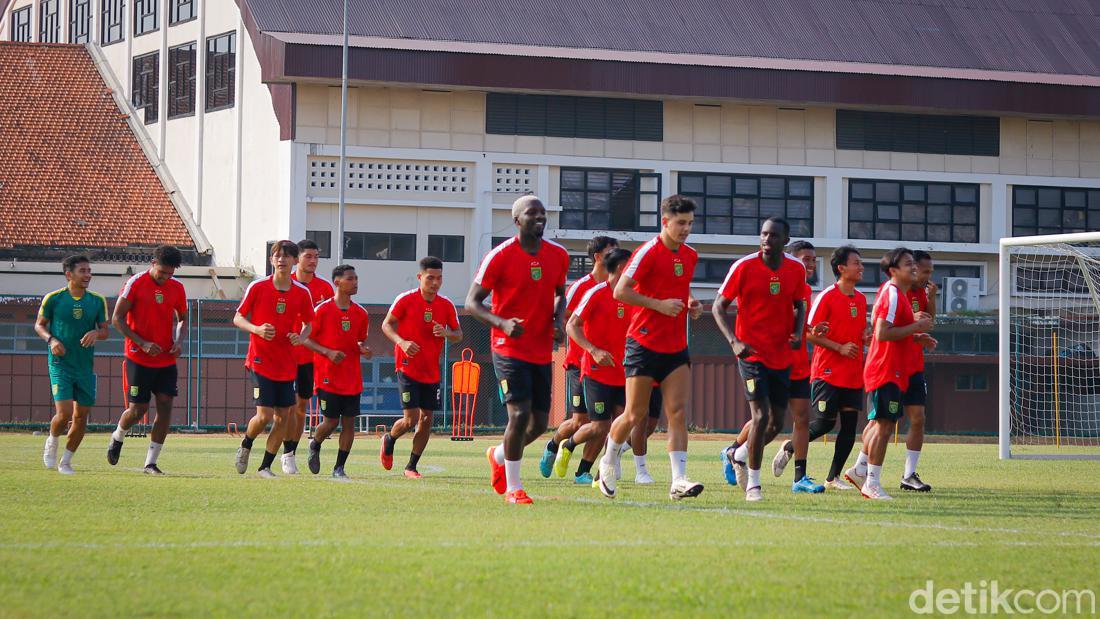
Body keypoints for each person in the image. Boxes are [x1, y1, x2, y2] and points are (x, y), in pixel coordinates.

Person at [596, 195, 705, 501]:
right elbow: (620, 291)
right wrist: (658, 305)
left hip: (675, 347)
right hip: (643, 343)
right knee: (635, 414)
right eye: (681, 223)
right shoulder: (647, 253)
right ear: (665, 222)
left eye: (690, 223)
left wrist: (690, 303)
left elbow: (680, 290)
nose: (686, 229)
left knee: (678, 412)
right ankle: (609, 459)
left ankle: (679, 480)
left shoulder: (690, 255)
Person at [467, 195, 569, 504]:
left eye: (542, 212)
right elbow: (472, 303)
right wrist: (502, 323)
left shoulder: (558, 256)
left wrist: (557, 320)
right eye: (531, 213)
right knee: (519, 414)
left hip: (540, 349)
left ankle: (498, 455)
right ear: (517, 220)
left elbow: (559, 294)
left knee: (539, 423)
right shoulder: (499, 256)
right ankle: (514, 488)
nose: (539, 217)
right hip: (508, 347)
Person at [714, 218, 809, 502]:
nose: (767, 239)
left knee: (777, 423)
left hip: (782, 355)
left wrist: (797, 331)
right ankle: (754, 485)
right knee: (760, 415)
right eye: (764, 234)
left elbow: (799, 304)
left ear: (785, 240)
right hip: (751, 354)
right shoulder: (743, 267)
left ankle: (740, 455)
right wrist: (733, 341)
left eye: (774, 235)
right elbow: (718, 306)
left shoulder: (796, 269)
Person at [734, 240, 824, 494]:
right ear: (791, 259)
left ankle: (799, 478)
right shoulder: (769, 277)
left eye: (813, 260)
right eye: (806, 259)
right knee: (764, 418)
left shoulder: (805, 290)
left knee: (802, 418)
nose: (810, 264)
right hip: (771, 359)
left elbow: (798, 321)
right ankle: (736, 451)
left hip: (797, 361)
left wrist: (809, 331)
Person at [849, 248, 934, 500]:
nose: (914, 267)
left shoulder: (901, 295)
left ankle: (862, 473)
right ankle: (871, 482)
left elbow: (895, 331)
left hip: (894, 368)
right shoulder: (893, 293)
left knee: (884, 424)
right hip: (885, 368)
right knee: (883, 426)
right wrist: (916, 326)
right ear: (893, 271)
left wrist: (917, 336)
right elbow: (882, 333)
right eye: (908, 264)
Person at [232, 241, 316, 478]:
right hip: (260, 361)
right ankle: (246, 444)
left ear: (294, 261)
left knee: (284, 416)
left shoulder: (302, 292)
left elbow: (309, 324)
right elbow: (238, 318)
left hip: (287, 364)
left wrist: (300, 337)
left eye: (287, 256)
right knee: (264, 416)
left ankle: (265, 466)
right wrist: (256, 329)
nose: (282, 260)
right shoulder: (258, 287)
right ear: (271, 260)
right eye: (278, 256)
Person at [540, 236, 617, 478]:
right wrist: (588, 348)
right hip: (579, 364)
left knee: (603, 423)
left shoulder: (620, 288)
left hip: (610, 367)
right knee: (579, 421)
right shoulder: (581, 287)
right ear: (598, 256)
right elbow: (567, 320)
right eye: (611, 251)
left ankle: (583, 471)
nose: (616, 255)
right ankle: (554, 445)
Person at [107, 245, 187, 475]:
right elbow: (117, 318)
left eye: (170, 274)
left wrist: (179, 341)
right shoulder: (135, 283)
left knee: (165, 406)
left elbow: (182, 319)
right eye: (162, 273)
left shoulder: (177, 288)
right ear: (153, 264)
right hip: (138, 357)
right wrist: (142, 343)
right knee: (138, 410)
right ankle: (118, 435)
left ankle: (150, 463)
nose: (165, 278)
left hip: (166, 359)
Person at [380, 256, 462, 478]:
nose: (435, 283)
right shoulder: (405, 299)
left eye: (439, 278)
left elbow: (458, 334)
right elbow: (386, 324)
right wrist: (402, 342)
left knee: (427, 420)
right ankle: (390, 438)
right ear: (420, 277)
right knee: (411, 419)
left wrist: (446, 333)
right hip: (406, 367)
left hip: (431, 371)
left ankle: (411, 466)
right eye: (430, 278)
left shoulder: (446, 305)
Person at [561, 247, 633, 484]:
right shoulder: (595, 293)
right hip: (596, 372)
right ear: (622, 268)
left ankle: (599, 474)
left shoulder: (633, 295)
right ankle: (568, 444)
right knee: (599, 427)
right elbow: (572, 325)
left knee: (624, 424)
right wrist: (594, 350)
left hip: (624, 373)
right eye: (632, 264)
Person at [35, 255, 109, 474]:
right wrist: (52, 340)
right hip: (60, 365)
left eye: (89, 270)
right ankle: (52, 440)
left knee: (81, 416)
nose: (88, 275)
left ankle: (66, 462)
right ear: (69, 274)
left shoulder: (97, 300)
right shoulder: (54, 299)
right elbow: (39, 325)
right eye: (83, 271)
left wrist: (97, 333)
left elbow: (105, 330)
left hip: (84, 367)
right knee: (65, 412)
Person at [804, 245, 868, 490]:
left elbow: (859, 331)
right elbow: (809, 334)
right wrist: (839, 347)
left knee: (850, 427)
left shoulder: (861, 299)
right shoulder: (826, 296)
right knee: (824, 424)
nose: (861, 267)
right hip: (827, 372)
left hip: (853, 373)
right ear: (841, 268)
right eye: (856, 263)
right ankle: (790, 446)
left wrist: (866, 337)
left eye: (861, 263)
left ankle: (832, 478)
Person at [303, 265, 371, 478]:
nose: (355, 282)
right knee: (331, 422)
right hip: (327, 376)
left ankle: (339, 468)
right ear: (337, 282)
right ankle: (315, 444)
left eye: (356, 278)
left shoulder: (361, 313)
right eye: (350, 278)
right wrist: (327, 352)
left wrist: (363, 349)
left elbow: (358, 340)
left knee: (349, 422)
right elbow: (304, 338)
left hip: (352, 378)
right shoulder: (321, 310)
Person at [282, 239, 336, 474]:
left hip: (310, 358)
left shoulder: (324, 288)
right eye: (308, 256)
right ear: (297, 259)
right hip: (283, 355)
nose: (313, 261)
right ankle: (281, 451)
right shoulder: (285, 283)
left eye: (316, 257)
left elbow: (326, 324)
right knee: (284, 409)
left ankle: (290, 453)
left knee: (301, 406)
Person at [900, 250, 938, 492]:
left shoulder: (921, 293)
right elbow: (883, 327)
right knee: (881, 423)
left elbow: (929, 323)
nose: (928, 276)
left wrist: (932, 298)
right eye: (925, 271)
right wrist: (911, 320)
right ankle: (863, 469)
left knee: (918, 419)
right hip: (890, 366)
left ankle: (909, 474)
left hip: (915, 365)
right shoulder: (895, 291)